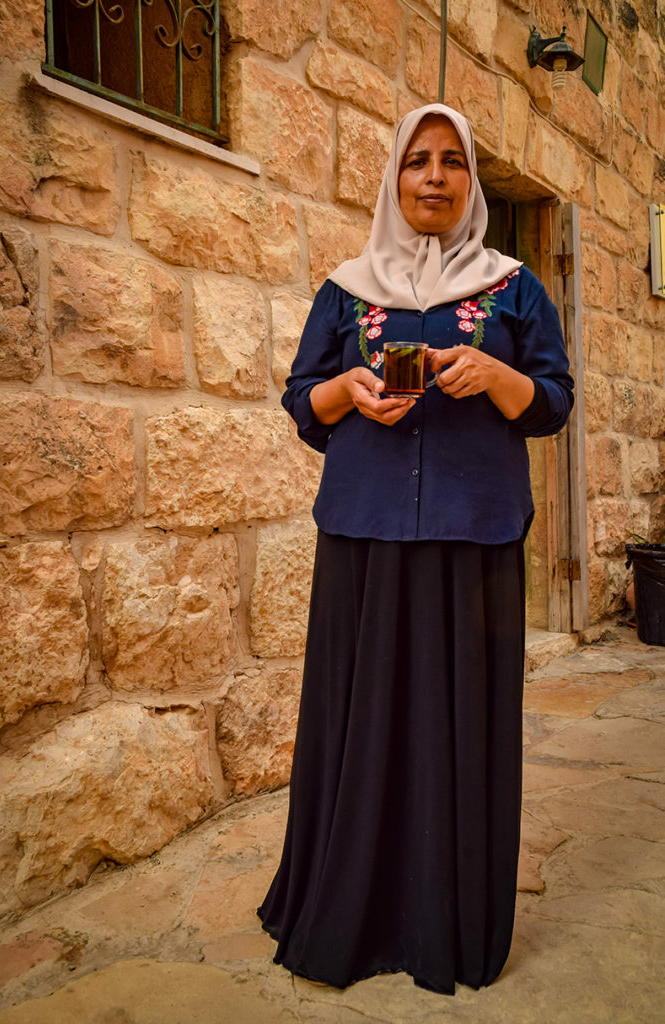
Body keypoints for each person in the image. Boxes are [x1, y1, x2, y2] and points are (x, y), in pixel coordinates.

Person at [258, 103, 574, 996]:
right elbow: (297, 403)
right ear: (393, 178)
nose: (432, 177)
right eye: (415, 161)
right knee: (359, 721)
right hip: (363, 533)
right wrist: (345, 392)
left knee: (459, 726)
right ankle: (343, 906)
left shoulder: (514, 288)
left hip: (472, 537)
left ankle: (447, 921)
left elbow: (553, 402)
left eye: (451, 164)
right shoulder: (346, 287)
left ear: (471, 182)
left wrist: (501, 377)